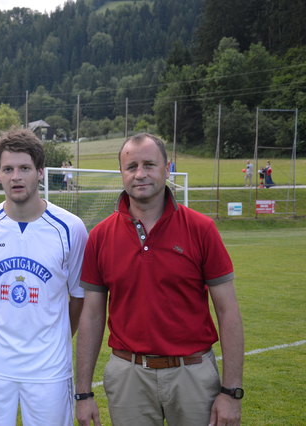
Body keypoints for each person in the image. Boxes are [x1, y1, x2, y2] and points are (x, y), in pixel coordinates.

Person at [76, 133, 244, 426]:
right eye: (132, 167)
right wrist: (83, 393)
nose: (140, 174)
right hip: (128, 374)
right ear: (122, 174)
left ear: (167, 169)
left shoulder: (201, 228)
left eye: (150, 165)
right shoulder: (100, 236)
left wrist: (231, 392)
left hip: (192, 373)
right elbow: (91, 316)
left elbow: (228, 311)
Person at [0, 128, 87, 425]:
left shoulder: (70, 228)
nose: (16, 176)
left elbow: (78, 299)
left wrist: (51, 336)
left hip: (48, 367)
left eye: (24, 168)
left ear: (40, 172)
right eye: (8, 169)